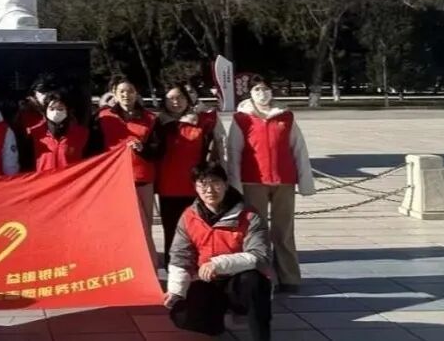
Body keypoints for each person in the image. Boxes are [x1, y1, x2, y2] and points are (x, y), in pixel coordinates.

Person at [165, 163, 273, 341]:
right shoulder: (188, 216)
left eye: (215, 183)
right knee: (181, 315)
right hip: (208, 281)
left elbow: (260, 255)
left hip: (239, 280)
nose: (209, 190)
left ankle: (260, 335)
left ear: (226, 184)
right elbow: (180, 256)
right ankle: (216, 324)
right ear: (195, 187)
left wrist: (218, 264)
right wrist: (176, 291)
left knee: (254, 282)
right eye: (203, 184)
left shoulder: (249, 215)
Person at [227, 76, 315, 293]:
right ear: (250, 93)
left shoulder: (286, 116)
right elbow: (234, 152)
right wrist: (235, 186)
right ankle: (263, 277)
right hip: (253, 180)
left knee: (284, 230)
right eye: (257, 89)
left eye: (266, 89)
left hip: (283, 180)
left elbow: (299, 149)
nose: (262, 93)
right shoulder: (241, 119)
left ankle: (289, 276)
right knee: (257, 230)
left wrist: (305, 182)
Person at [156, 81, 225, 267]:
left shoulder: (202, 121)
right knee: (171, 228)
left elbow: (214, 150)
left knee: (198, 226)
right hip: (168, 186)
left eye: (179, 98)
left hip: (196, 185)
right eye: (170, 99)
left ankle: (199, 263)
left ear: (187, 99)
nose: (175, 102)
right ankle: (174, 265)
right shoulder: (159, 124)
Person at [94, 76, 161, 267]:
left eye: (130, 91)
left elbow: (158, 149)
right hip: (113, 179)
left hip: (142, 177)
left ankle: (148, 265)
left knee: (144, 225)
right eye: (122, 91)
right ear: (114, 94)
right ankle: (118, 263)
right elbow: (94, 148)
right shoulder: (103, 117)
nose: (126, 95)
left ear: (136, 93)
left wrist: (143, 148)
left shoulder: (150, 118)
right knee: (116, 224)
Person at [19, 90, 96, 172]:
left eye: (60, 108)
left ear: (67, 110)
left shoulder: (81, 133)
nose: (56, 112)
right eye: (52, 109)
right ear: (46, 110)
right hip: (44, 178)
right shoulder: (35, 134)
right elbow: (26, 163)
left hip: (72, 178)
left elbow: (92, 161)